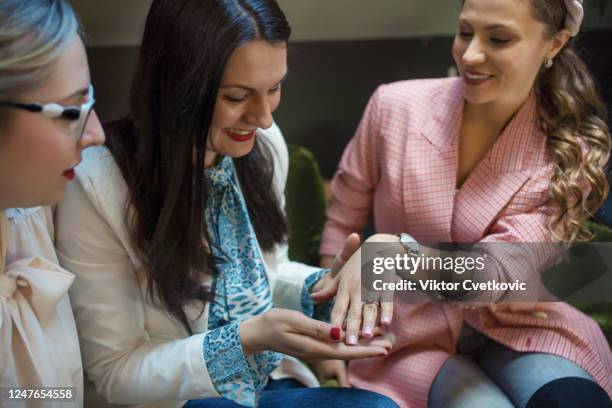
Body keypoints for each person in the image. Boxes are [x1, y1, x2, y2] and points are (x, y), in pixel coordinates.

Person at [54, 1, 398, 407]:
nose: (264, 118)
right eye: (237, 96)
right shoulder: (97, 184)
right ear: (176, 85)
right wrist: (247, 339)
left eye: (274, 88)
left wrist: (328, 290)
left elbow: (269, 272)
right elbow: (117, 371)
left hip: (269, 383)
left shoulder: (263, 147)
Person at [317, 0, 612, 407]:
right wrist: (328, 332)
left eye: (499, 38)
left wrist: (395, 258)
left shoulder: (568, 152)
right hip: (403, 335)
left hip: (521, 324)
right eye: (464, 32)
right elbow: (341, 225)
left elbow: (502, 271)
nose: (470, 54)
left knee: (573, 401)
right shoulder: (393, 107)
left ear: (554, 44)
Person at [0, 0, 105, 405]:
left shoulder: (28, 217)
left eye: (89, 102)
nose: (95, 133)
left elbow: (53, 391)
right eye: (71, 111)